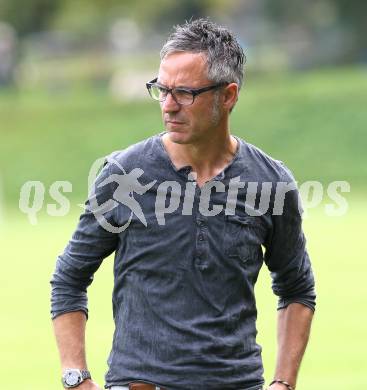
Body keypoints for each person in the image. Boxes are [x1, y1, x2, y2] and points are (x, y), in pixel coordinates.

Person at [51, 18, 316, 390]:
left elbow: (297, 288)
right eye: (161, 90)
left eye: (185, 93)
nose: (168, 106)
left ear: (228, 96)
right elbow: (69, 276)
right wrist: (76, 378)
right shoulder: (124, 175)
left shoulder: (271, 183)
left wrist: (283, 384)